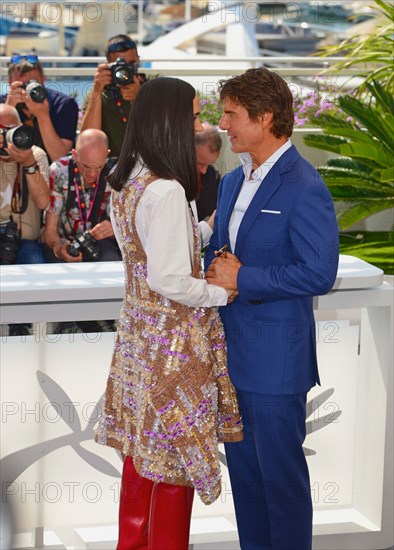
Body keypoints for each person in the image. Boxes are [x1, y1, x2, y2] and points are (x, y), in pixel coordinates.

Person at [95, 77, 243, 550]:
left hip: (140, 336)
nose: (201, 124)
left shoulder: (128, 179)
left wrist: (203, 228)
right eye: (195, 115)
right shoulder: (165, 190)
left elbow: (149, 254)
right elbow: (172, 280)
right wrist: (225, 293)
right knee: (175, 461)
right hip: (173, 344)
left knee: (143, 456)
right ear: (170, 121)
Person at [205, 68, 339, 550]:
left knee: (281, 487)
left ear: (265, 118)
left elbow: (319, 273)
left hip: (277, 365)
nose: (223, 124)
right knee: (246, 485)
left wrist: (244, 277)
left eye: (232, 115)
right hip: (232, 358)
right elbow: (223, 255)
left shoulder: (304, 185)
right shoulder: (230, 181)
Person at [43, 129, 121, 263]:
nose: (92, 174)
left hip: (100, 243)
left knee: (111, 260)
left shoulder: (116, 173)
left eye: (99, 167)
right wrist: (59, 250)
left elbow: (130, 228)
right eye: (86, 166)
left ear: (107, 154)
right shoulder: (59, 172)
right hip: (64, 242)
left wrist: (115, 228)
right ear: (74, 154)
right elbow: (50, 230)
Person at [1, 54, 79, 163]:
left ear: (43, 80)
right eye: (21, 86)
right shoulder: (2, 104)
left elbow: (60, 159)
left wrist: (43, 117)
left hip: (50, 172)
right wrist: (8, 110)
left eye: (32, 85)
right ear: (10, 83)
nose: (26, 92)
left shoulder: (64, 105)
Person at [81, 34, 146, 157]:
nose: (125, 70)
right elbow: (87, 142)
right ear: (109, 66)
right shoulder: (98, 95)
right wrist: (97, 90)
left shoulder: (153, 84)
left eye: (131, 64)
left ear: (138, 60)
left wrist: (141, 96)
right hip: (112, 168)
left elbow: (164, 128)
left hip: (149, 164)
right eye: (120, 65)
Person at [0, 104, 49, 265]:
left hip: (26, 239)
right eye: (2, 129)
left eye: (11, 128)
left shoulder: (35, 154)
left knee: (36, 268)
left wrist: (29, 164)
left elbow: (43, 202)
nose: (7, 135)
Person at [195, 124, 222, 221]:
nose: (204, 170)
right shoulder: (171, 179)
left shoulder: (213, 177)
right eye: (201, 163)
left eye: (209, 164)